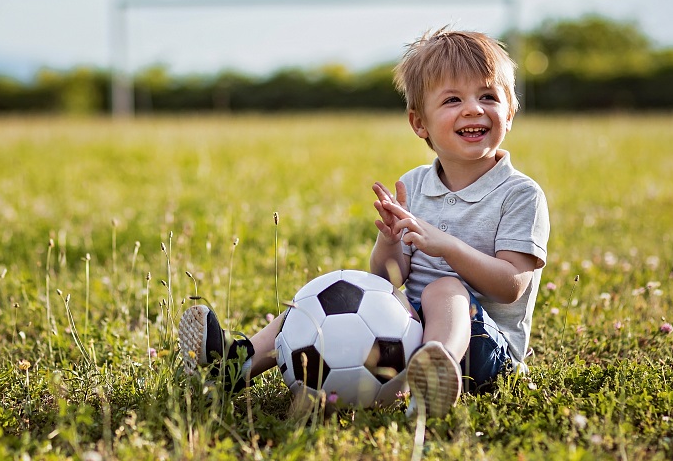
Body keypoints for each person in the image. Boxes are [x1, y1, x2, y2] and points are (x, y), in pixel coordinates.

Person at [178, 26, 550, 420]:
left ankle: (435, 369)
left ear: (509, 112)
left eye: (488, 96)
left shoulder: (519, 194)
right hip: (407, 335)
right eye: (453, 99)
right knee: (323, 299)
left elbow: (511, 286)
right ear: (419, 124)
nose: (474, 109)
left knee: (444, 287)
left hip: (487, 355)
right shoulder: (414, 185)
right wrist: (390, 243)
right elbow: (386, 281)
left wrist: (446, 246)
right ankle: (233, 367)